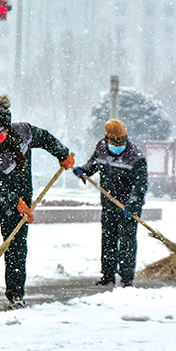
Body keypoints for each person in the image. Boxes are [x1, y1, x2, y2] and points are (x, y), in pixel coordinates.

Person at [0, 95, 74, 308]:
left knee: (16, 248)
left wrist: (62, 154)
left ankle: (15, 295)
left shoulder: (24, 133)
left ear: (7, 129)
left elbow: (47, 139)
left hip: (20, 201)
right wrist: (15, 201)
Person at [73, 119, 148, 287]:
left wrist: (132, 205)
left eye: (121, 140)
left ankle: (127, 278)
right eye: (113, 140)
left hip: (128, 206)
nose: (117, 144)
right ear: (108, 138)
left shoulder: (135, 157)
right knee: (108, 238)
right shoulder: (101, 148)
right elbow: (93, 164)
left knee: (127, 240)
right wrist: (83, 170)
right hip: (108, 204)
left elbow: (140, 185)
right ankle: (108, 274)